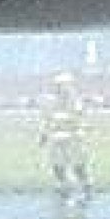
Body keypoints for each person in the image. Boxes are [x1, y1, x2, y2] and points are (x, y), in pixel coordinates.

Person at [38, 71, 92, 209]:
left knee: (78, 166)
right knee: (57, 165)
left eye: (61, 85)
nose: (59, 89)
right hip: (57, 139)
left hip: (73, 139)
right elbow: (47, 120)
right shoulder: (51, 102)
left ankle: (85, 190)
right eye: (57, 86)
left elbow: (77, 119)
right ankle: (63, 189)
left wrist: (73, 131)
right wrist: (44, 135)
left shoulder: (76, 102)